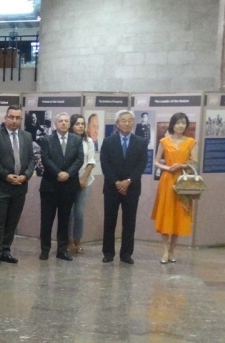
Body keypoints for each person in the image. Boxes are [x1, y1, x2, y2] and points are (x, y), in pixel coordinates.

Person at [0, 105, 35, 266]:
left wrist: (25, 176)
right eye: (11, 117)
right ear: (5, 118)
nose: (14, 120)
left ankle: (5, 250)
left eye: (17, 118)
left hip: (20, 185)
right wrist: (6, 175)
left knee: (12, 221)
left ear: (21, 119)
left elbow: (32, 159)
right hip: (0, 185)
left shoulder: (27, 136)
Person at [100, 110, 149, 264]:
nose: (127, 123)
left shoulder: (141, 142)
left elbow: (142, 164)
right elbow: (105, 164)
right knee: (110, 221)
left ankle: (126, 254)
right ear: (117, 124)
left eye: (130, 120)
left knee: (129, 222)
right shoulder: (108, 142)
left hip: (132, 188)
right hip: (112, 188)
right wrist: (116, 182)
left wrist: (128, 181)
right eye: (123, 120)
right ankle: (108, 253)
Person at [152, 112, 198, 264]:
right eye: (178, 122)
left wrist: (182, 165)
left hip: (183, 181)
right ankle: (165, 251)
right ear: (172, 124)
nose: (180, 125)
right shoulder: (164, 141)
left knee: (179, 215)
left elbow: (195, 162)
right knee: (166, 214)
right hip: (167, 180)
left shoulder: (191, 142)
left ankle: (172, 249)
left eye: (183, 123)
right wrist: (167, 167)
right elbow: (156, 162)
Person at [37, 112, 83, 262]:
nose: (63, 123)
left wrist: (67, 174)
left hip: (69, 186)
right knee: (47, 220)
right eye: (60, 121)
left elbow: (79, 159)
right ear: (55, 124)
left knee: (64, 220)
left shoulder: (76, 140)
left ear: (69, 124)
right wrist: (58, 173)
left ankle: (62, 250)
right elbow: (45, 159)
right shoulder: (47, 140)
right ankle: (45, 250)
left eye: (66, 121)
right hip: (50, 186)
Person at [68, 114, 95, 254]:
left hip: (84, 182)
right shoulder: (67, 140)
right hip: (69, 181)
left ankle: (78, 240)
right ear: (71, 126)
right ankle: (68, 242)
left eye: (82, 124)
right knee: (68, 213)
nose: (80, 126)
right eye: (77, 124)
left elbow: (91, 162)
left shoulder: (88, 141)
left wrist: (83, 180)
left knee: (79, 213)